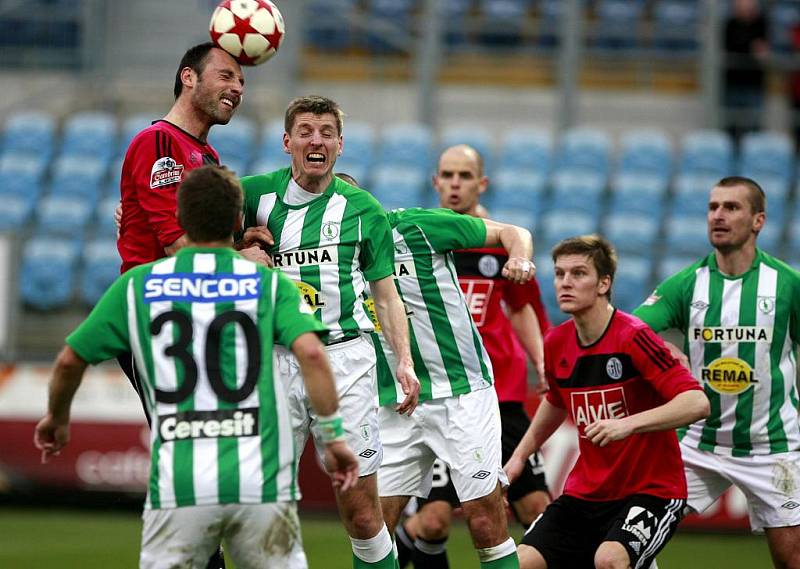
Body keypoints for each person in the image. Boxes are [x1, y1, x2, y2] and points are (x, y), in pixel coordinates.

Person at [34, 165, 360, 569]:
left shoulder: (138, 285)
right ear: (238, 220)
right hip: (258, 482)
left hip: (179, 483)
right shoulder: (268, 284)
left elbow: (70, 361)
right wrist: (334, 438)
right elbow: (312, 354)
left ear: (179, 219)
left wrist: (56, 418)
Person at [237, 95, 420, 569]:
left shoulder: (363, 208)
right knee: (260, 503)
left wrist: (403, 359)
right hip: (275, 361)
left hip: (345, 363)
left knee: (361, 512)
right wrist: (240, 252)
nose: (315, 140)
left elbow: (385, 293)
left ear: (340, 145)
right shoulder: (252, 195)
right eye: (305, 131)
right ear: (287, 142)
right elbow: (188, 228)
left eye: (325, 132)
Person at [114, 41, 266, 569]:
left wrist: (248, 237)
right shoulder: (158, 143)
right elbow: (181, 247)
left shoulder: (207, 156)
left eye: (243, 82)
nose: (237, 89)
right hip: (158, 321)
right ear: (187, 78)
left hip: (195, 320)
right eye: (226, 76)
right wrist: (245, 255)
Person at [339, 173, 533, 568]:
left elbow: (513, 232)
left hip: (461, 393)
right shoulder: (329, 261)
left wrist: (519, 256)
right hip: (395, 403)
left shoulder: (417, 225)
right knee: (371, 524)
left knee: (484, 518)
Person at [505, 234, 710, 569]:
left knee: (609, 560)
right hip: (585, 494)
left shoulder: (633, 336)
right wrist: (519, 457)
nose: (565, 283)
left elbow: (696, 402)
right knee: (518, 563)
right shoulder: (556, 341)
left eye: (578, 274)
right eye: (559, 274)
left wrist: (626, 425)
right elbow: (556, 402)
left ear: (603, 284)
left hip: (652, 491)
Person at [397, 144, 551, 569]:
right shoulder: (419, 239)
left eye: (465, 176)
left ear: (481, 184)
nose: (455, 184)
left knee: (537, 507)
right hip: (442, 395)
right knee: (434, 519)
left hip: (500, 393)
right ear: (435, 182)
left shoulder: (496, 240)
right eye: (447, 175)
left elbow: (521, 308)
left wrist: (542, 363)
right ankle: (405, 538)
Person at [633, 176, 800, 568]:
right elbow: (629, 331)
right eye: (712, 208)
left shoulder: (787, 285)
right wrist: (664, 347)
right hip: (697, 444)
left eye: (731, 207)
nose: (718, 216)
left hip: (772, 446)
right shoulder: (688, 283)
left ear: (758, 221)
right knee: (629, 542)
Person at [722, 0, 769, 141]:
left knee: (755, 128)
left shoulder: (761, 23)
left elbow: (763, 50)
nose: (746, 5)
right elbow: (731, 46)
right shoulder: (730, 24)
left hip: (754, 84)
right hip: (733, 83)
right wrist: (750, 47)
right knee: (730, 127)